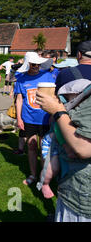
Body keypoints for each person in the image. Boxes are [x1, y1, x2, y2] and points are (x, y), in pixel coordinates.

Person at [36, 79, 91, 222]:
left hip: (81, 201)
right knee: (50, 164)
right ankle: (45, 183)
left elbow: (82, 148)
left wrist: (58, 111)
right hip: (73, 190)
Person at [14, 52, 54, 185]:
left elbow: (54, 97)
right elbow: (19, 100)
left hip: (45, 118)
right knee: (31, 146)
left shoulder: (48, 76)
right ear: (28, 65)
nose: (36, 66)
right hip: (28, 118)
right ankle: (33, 175)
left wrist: (53, 115)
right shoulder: (21, 79)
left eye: (38, 64)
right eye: (33, 64)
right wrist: (19, 118)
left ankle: (44, 177)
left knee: (44, 148)